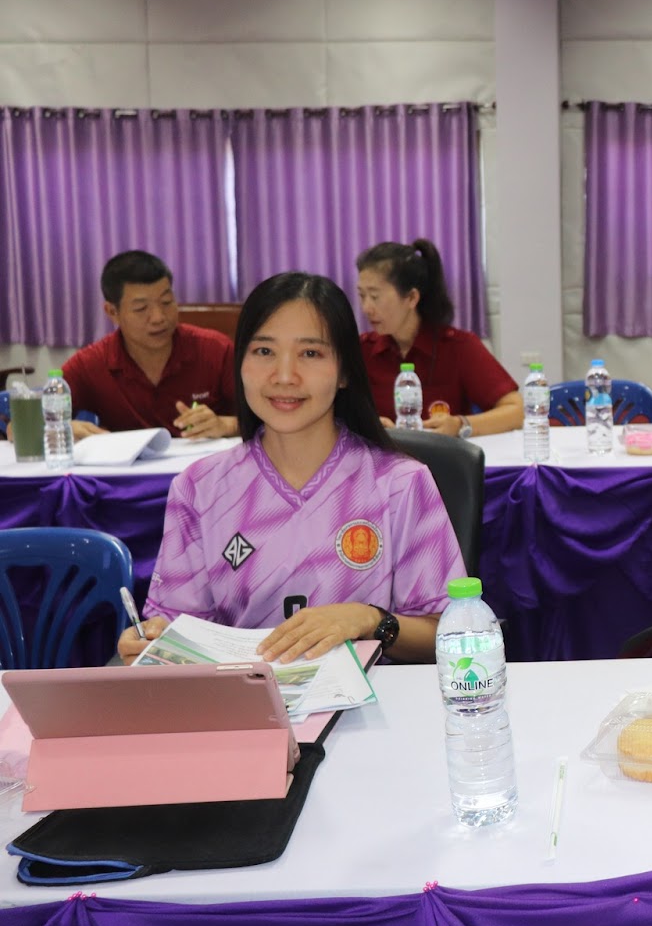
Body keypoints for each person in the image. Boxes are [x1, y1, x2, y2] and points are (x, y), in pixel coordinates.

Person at [116, 272, 466, 666]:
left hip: (374, 701)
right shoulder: (199, 487)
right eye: (264, 351)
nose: (284, 376)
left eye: (310, 353)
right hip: (244, 700)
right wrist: (152, 642)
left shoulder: (400, 483)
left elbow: (450, 634)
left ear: (345, 371)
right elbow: (178, 628)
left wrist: (370, 619)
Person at [61, 251, 237, 439]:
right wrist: (63, 428)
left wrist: (229, 425)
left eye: (166, 302)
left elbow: (259, 419)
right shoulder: (91, 364)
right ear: (112, 312)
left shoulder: (216, 350)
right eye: (141, 308)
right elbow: (42, 417)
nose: (159, 318)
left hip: (207, 457)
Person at [355, 239, 520, 438]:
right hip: (383, 457)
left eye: (375, 297)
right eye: (362, 296)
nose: (366, 308)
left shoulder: (458, 347)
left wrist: (461, 425)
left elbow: (516, 410)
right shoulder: (360, 350)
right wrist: (367, 425)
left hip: (443, 456)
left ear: (411, 298)